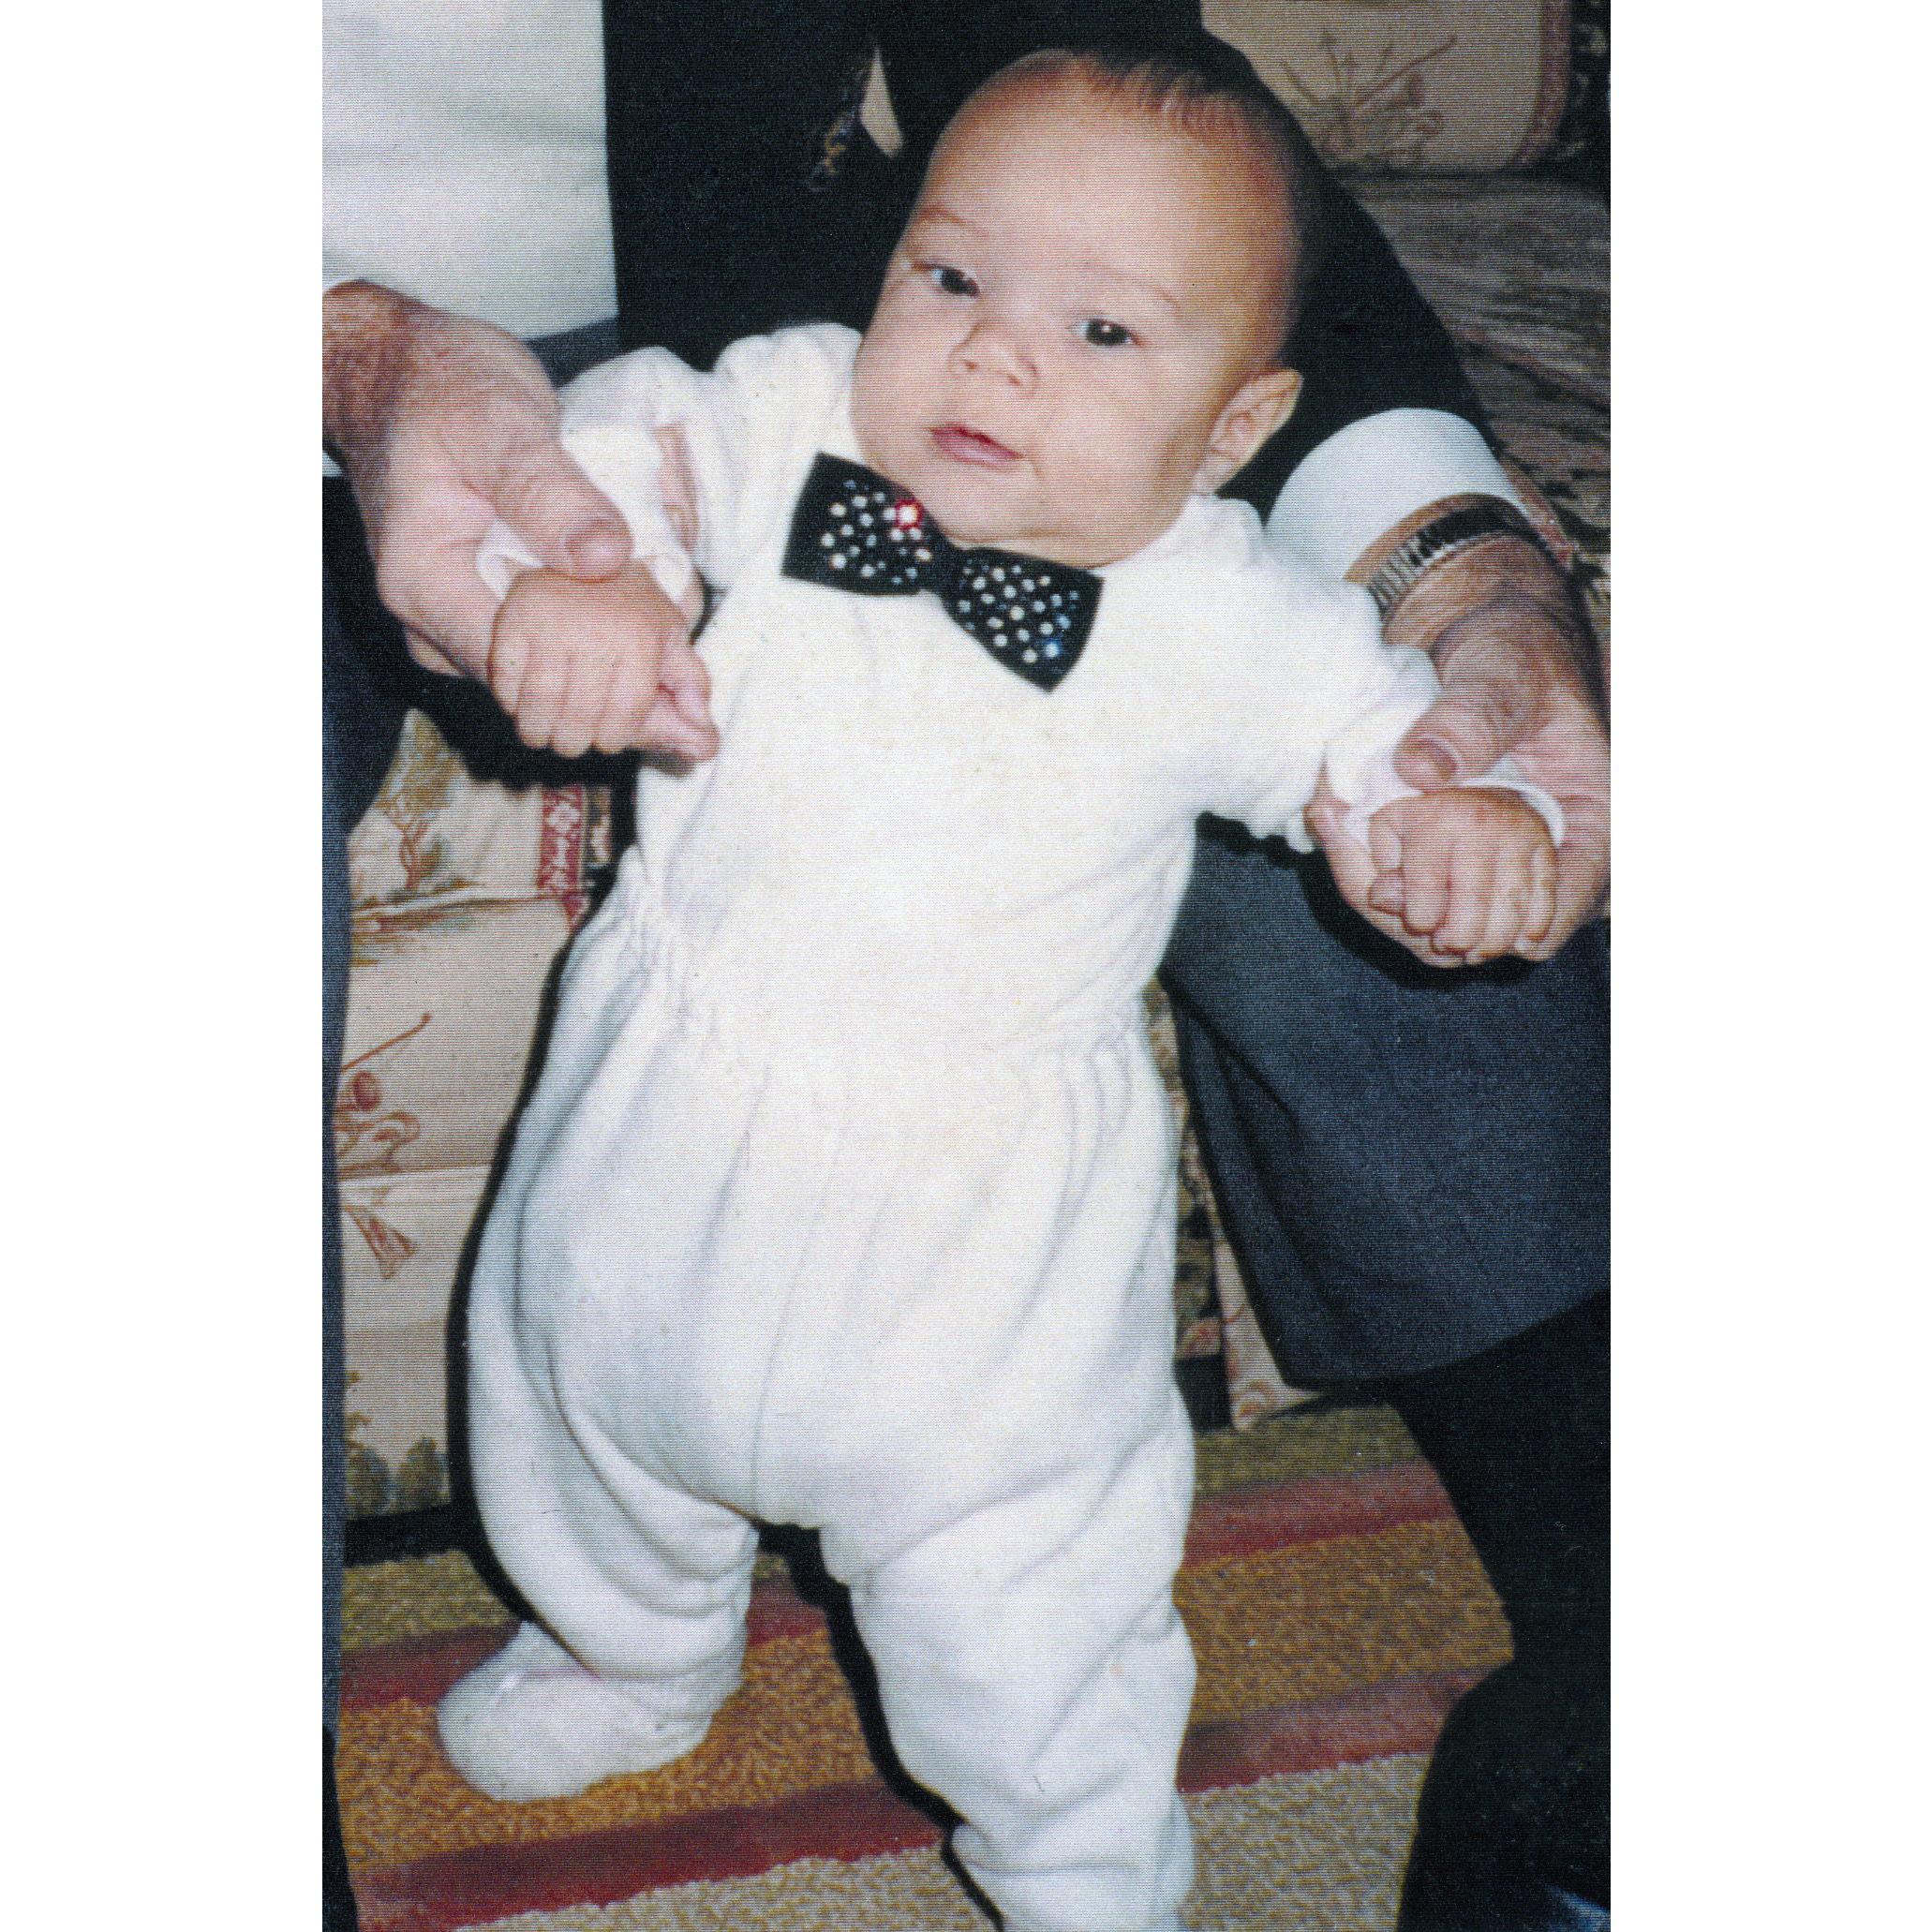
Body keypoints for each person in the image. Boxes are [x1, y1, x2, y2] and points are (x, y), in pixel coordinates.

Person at [322, 6, 1609, 1928]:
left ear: (1231, 429)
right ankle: (630, 1647)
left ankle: (1080, 1852)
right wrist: (581, 574)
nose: (997, 350)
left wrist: (1464, 815)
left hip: (981, 1248)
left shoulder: (1234, 615)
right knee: (571, 1412)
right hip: (660, 1127)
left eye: (1100, 332)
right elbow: (631, 441)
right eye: (949, 280)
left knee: (1027, 1581)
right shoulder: (793, 418)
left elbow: (1377, 752)